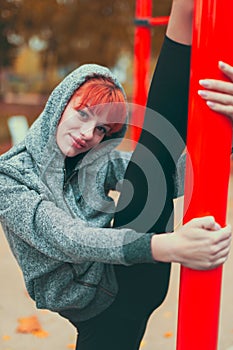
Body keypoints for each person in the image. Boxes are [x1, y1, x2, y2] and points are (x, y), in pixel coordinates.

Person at [0, 1, 232, 350]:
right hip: (101, 307)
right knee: (151, 157)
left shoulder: (91, 158)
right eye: (82, 114)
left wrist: (225, 137)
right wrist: (167, 246)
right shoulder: (10, 177)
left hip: (129, 278)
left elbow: (172, 178)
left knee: (152, 162)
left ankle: (184, 14)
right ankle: (183, 16)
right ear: (59, 103)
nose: (88, 134)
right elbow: (68, 237)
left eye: (101, 130)